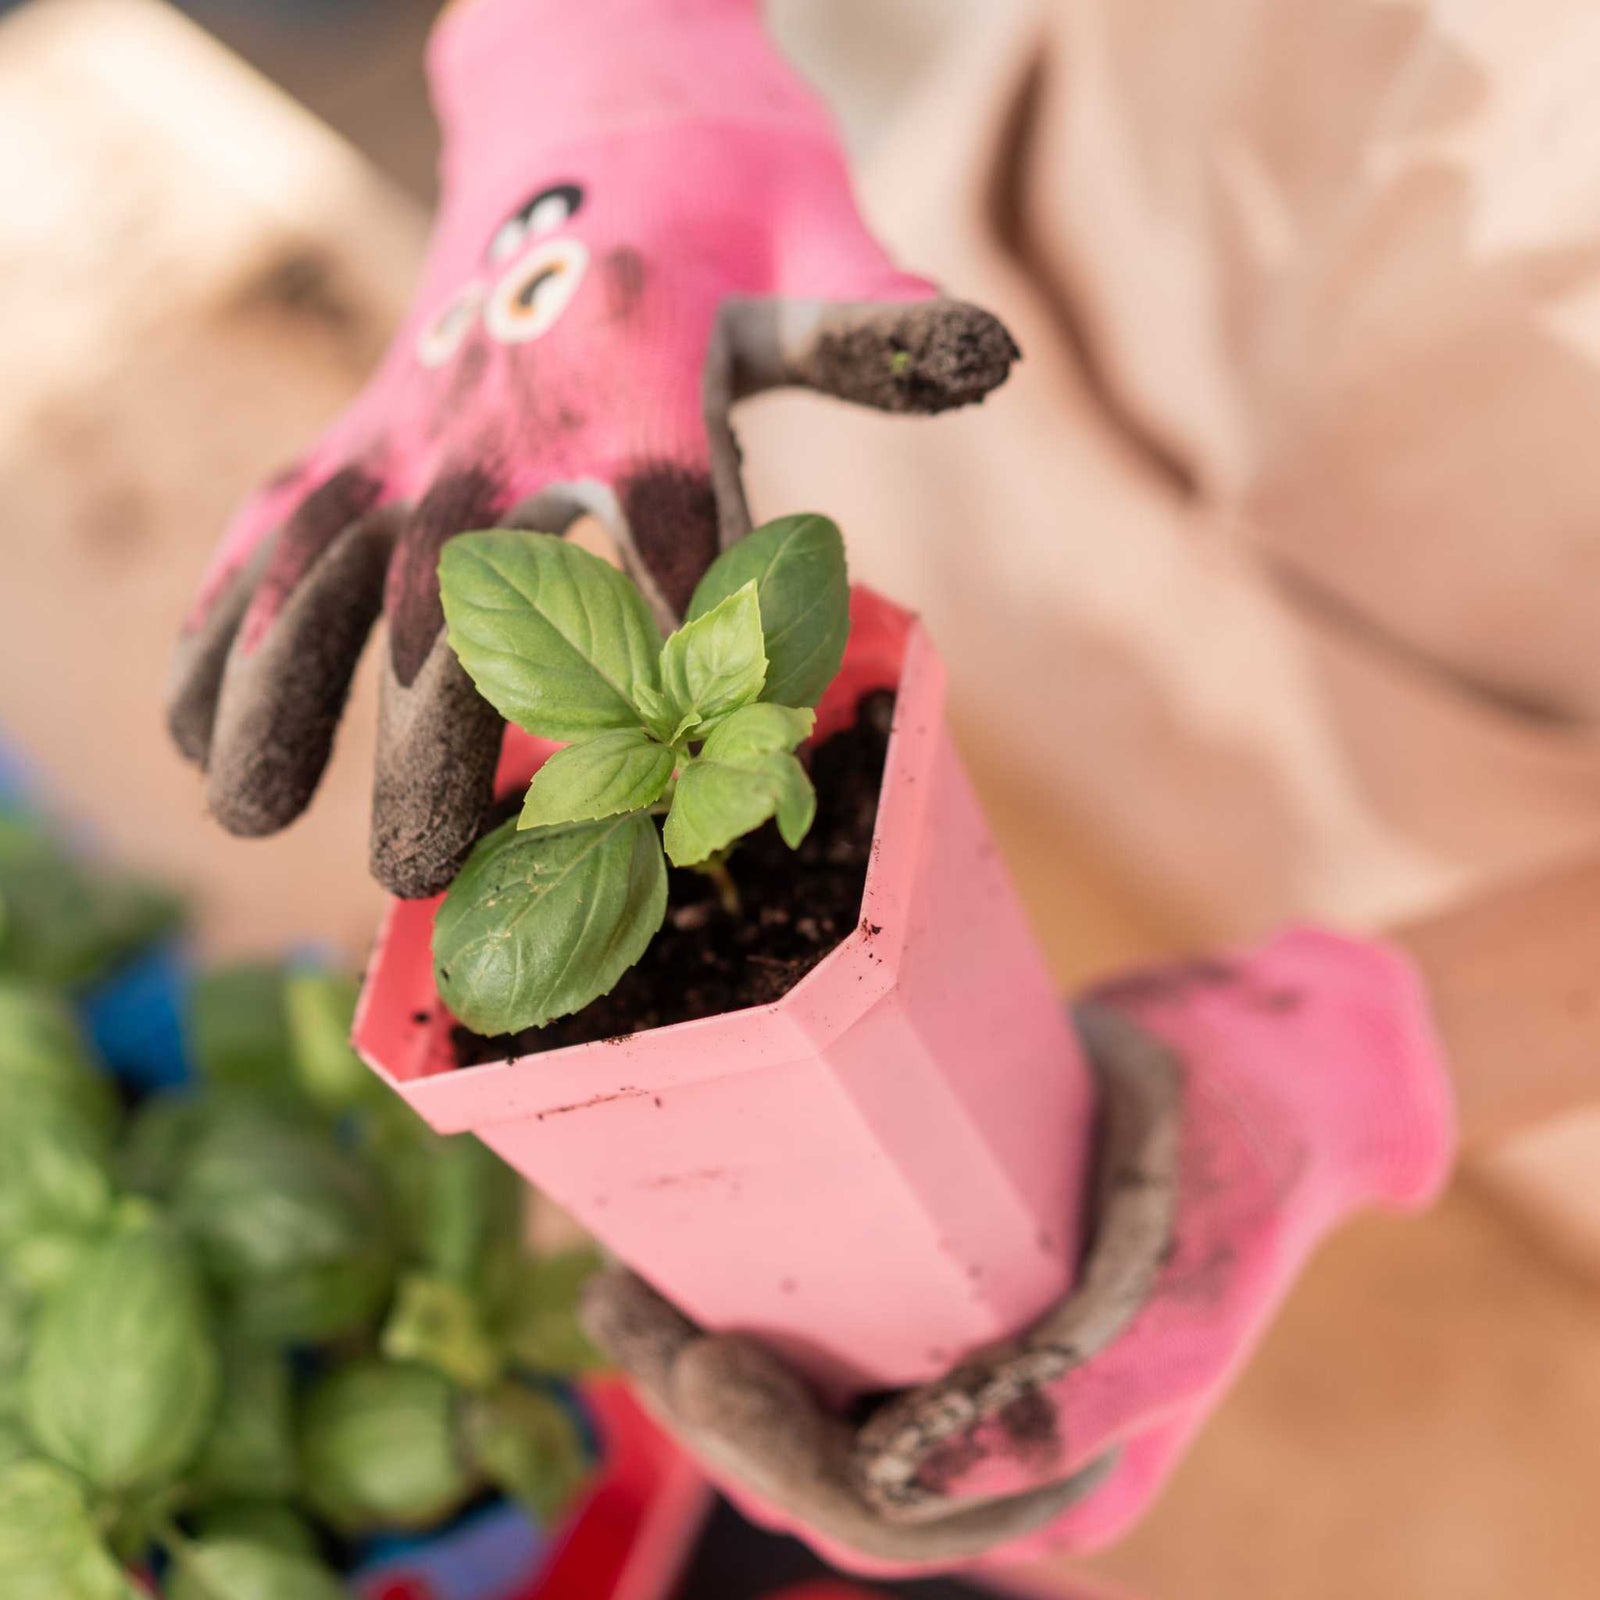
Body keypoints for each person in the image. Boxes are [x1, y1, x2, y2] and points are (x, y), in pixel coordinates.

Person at [167, 0, 1600, 1574]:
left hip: (1512, 851)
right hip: (1043, 358)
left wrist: (1363, 1061)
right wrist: (598, 67)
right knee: (788, 632)